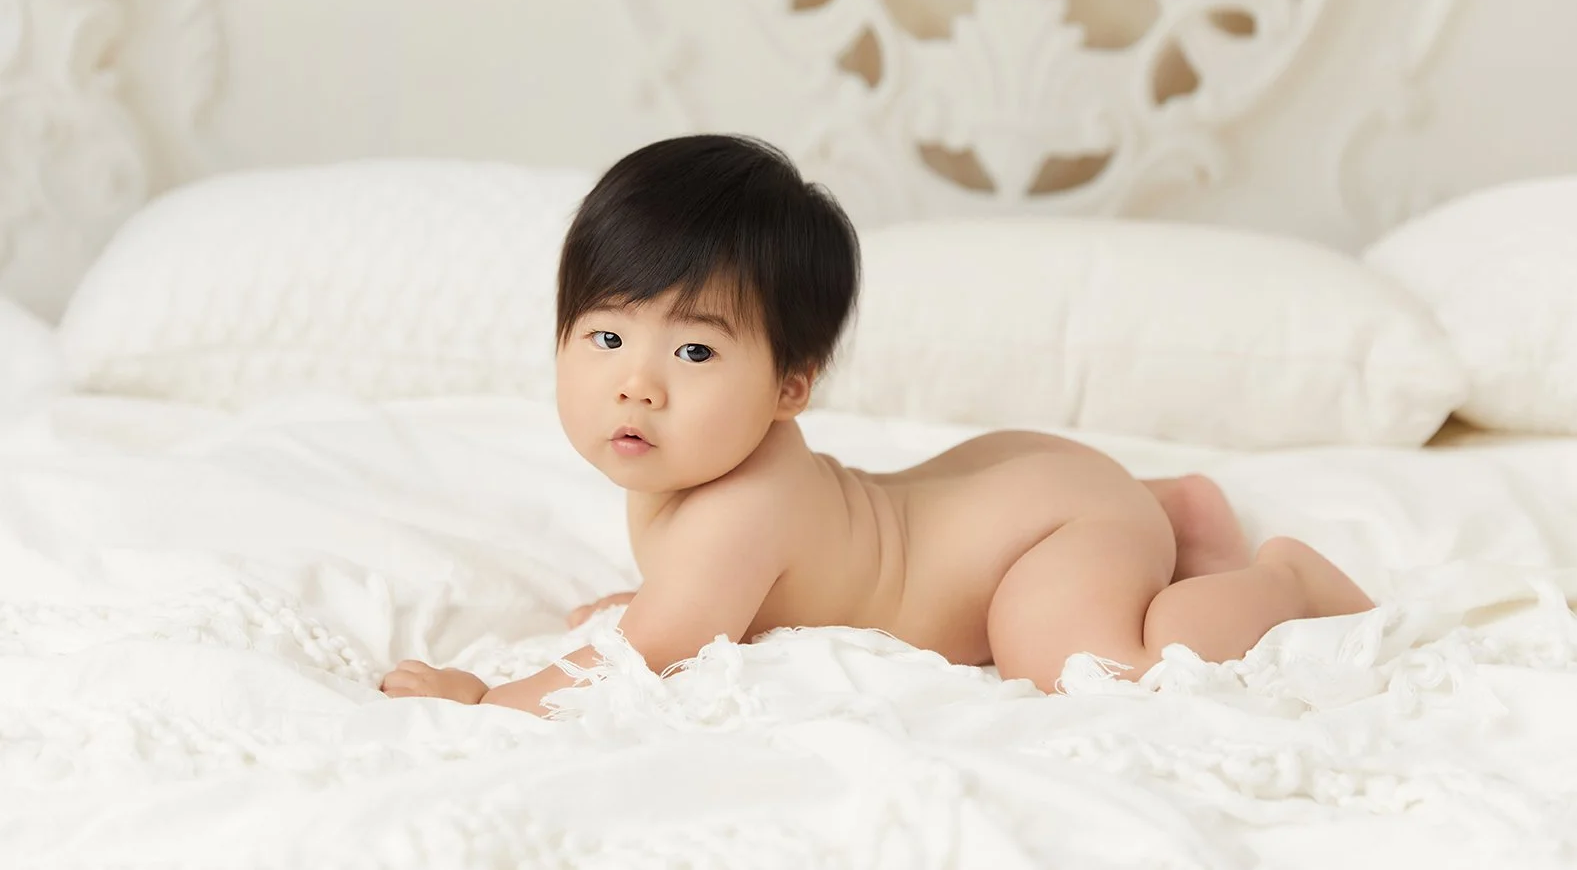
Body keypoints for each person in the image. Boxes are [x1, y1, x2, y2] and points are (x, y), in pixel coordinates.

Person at [380, 135, 1372, 714]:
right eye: (603, 337)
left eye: (692, 352)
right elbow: (707, 594)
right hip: (1021, 481)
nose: (636, 385)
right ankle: (1175, 514)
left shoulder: (738, 509)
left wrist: (486, 697)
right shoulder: (700, 478)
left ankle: (1278, 578)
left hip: (1040, 534)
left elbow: (642, 653)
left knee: (1089, 670)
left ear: (788, 389)